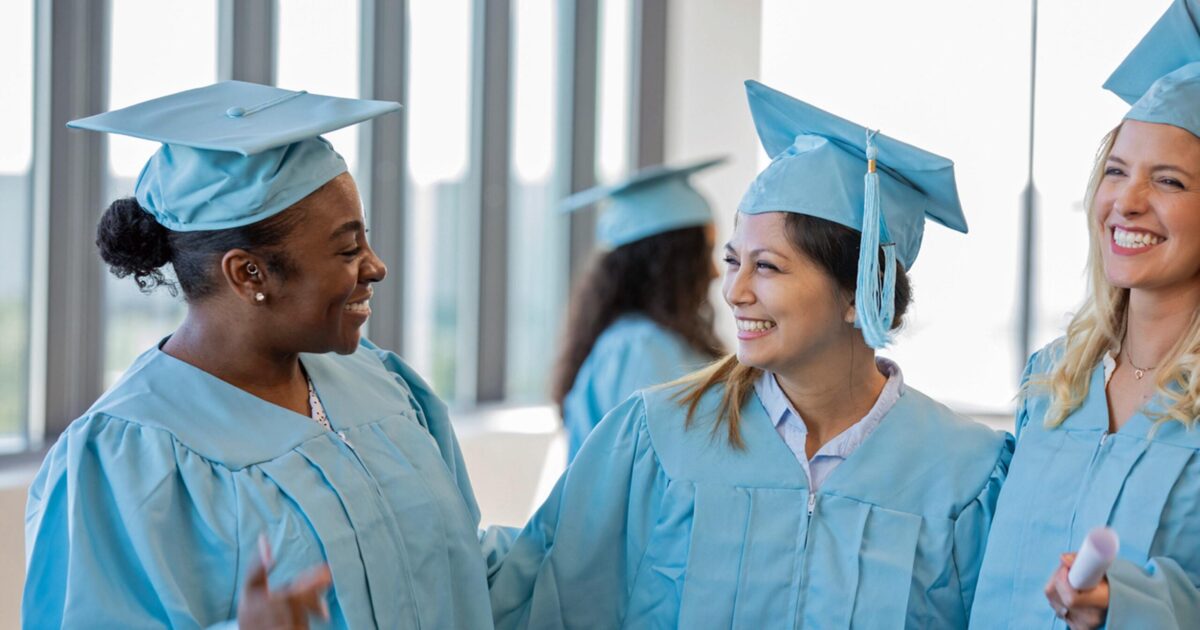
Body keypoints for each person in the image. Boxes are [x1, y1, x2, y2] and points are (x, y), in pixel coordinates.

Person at [487, 80, 1013, 628]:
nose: (734, 292)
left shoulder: (966, 474)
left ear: (859, 294)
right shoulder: (662, 435)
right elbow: (547, 581)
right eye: (733, 261)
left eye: (767, 267)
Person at [23, 81, 496, 629]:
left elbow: (472, 585)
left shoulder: (383, 383)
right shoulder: (123, 459)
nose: (376, 266)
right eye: (348, 249)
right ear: (249, 274)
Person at [972, 2, 1200, 628]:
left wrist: (1135, 604)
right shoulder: (1052, 380)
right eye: (1117, 172)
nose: (1127, 202)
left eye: (1170, 182)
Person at [552, 159, 725, 460]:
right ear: (670, 263)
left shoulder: (641, 341)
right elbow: (662, 468)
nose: (715, 272)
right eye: (706, 253)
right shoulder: (638, 348)